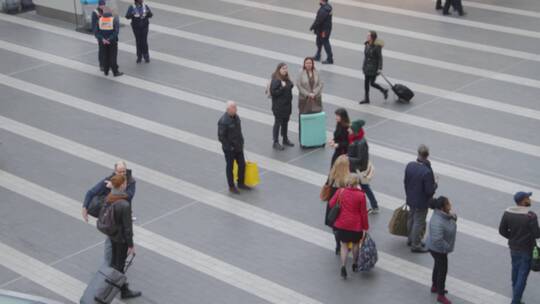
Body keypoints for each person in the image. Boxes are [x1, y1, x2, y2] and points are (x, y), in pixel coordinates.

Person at [82, 161, 136, 265]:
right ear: (115, 171)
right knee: (111, 240)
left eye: (124, 171)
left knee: (124, 236)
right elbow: (91, 192)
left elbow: (129, 196)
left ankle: (118, 261)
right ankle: (109, 265)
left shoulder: (130, 181)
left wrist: (114, 188)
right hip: (112, 217)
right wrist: (84, 207)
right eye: (120, 172)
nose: (122, 174)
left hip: (124, 213)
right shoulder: (110, 180)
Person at [499, 192, 540, 304]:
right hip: (526, 250)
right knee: (522, 277)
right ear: (523, 201)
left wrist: (512, 237)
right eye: (528, 198)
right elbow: (537, 235)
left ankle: (516, 296)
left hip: (513, 248)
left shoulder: (508, 213)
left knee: (515, 272)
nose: (530, 200)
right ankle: (516, 301)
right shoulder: (531, 216)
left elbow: (502, 231)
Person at [105, 174, 142, 299]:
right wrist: (130, 245)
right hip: (121, 240)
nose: (127, 185)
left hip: (113, 236)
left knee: (116, 264)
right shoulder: (124, 204)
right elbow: (127, 228)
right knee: (119, 266)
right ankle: (115, 291)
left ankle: (121, 288)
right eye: (125, 183)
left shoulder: (110, 198)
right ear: (122, 186)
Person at [328, 173, 369, 279]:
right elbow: (363, 213)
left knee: (344, 245)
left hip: (342, 225)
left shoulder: (340, 191)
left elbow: (331, 203)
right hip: (356, 226)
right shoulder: (361, 195)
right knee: (355, 244)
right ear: (357, 183)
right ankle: (355, 264)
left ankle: (343, 266)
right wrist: (365, 227)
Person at [404, 144, 438, 253]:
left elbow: (405, 182)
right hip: (421, 202)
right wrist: (435, 184)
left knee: (411, 218)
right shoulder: (426, 172)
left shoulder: (410, 165)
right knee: (418, 222)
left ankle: (410, 239)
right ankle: (416, 244)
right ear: (427, 155)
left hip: (410, 198)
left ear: (418, 153)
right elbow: (429, 191)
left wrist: (408, 194)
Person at [426, 196, 457, 304]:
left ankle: (435, 286)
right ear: (443, 207)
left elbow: (449, 221)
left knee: (438, 266)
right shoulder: (437, 221)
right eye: (448, 204)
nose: (450, 205)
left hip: (437, 248)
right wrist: (447, 248)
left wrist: (452, 217)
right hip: (438, 250)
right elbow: (437, 239)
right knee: (442, 270)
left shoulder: (442, 215)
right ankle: (440, 295)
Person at [218, 101, 251, 194]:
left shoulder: (236, 117)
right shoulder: (223, 121)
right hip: (230, 150)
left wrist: (242, 141)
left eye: (236, 107)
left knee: (242, 165)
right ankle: (231, 186)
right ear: (228, 109)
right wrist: (230, 147)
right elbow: (221, 137)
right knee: (230, 167)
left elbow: (239, 131)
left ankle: (241, 183)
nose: (236, 109)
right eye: (234, 108)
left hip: (238, 147)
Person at [347, 120, 379, 214]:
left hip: (358, 171)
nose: (348, 130)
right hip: (355, 168)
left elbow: (361, 159)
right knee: (364, 187)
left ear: (355, 130)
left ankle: (374, 206)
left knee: (363, 187)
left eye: (350, 128)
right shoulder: (354, 138)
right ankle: (374, 206)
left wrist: (348, 158)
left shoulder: (361, 143)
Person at [324, 155, 350, 255]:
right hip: (344, 205)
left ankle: (338, 244)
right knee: (344, 225)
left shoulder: (332, 176)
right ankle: (344, 243)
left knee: (335, 226)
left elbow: (327, 185)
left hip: (333, 205)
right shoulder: (348, 179)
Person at [270, 63, 294, 150]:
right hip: (279, 107)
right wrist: (282, 88)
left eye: (286, 68)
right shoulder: (276, 79)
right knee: (277, 123)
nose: (285, 70)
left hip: (287, 106)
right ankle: (275, 142)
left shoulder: (286, 78)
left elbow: (290, 85)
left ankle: (285, 139)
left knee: (285, 122)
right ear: (279, 69)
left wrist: (289, 85)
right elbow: (273, 93)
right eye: (283, 68)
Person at [360, 31, 388, 104]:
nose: (367, 36)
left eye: (368, 35)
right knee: (366, 83)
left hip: (374, 68)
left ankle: (384, 90)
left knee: (372, 83)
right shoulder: (366, 44)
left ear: (372, 37)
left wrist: (379, 68)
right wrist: (363, 66)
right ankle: (366, 98)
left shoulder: (377, 47)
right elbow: (365, 57)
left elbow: (380, 58)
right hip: (367, 67)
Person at [95, 7, 123, 77]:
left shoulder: (99, 20)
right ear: (110, 12)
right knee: (113, 56)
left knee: (105, 56)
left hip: (103, 42)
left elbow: (96, 32)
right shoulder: (114, 20)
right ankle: (115, 72)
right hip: (112, 41)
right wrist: (109, 39)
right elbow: (116, 32)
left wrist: (103, 39)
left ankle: (106, 71)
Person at [309, 0, 333, 64]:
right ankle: (318, 55)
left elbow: (318, 20)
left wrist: (312, 27)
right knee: (318, 41)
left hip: (324, 30)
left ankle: (330, 59)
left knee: (325, 43)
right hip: (322, 29)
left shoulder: (324, 10)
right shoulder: (327, 7)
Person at [91, 0, 106, 71]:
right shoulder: (95, 12)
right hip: (100, 34)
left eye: (104, 4)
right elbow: (94, 25)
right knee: (102, 49)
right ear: (99, 5)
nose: (103, 6)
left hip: (107, 33)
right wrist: (96, 35)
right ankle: (102, 64)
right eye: (102, 5)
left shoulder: (106, 11)